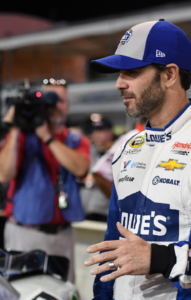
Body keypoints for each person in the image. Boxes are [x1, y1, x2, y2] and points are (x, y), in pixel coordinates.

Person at [83, 19, 191, 299]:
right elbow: (112, 243)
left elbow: (151, 256)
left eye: (131, 72)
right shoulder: (128, 147)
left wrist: (161, 259)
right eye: (119, 73)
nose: (119, 83)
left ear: (169, 75)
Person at [0, 78, 90, 283]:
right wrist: (16, 127)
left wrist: (47, 137)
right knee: (23, 291)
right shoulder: (21, 138)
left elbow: (81, 168)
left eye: (60, 100)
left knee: (63, 291)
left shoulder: (75, 140)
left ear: (68, 105)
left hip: (62, 233)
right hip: (25, 231)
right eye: (49, 100)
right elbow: (2, 174)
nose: (54, 105)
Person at [80, 117, 115, 222]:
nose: (97, 134)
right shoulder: (87, 151)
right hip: (85, 207)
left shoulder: (117, 152)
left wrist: (98, 176)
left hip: (104, 209)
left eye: (101, 130)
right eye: (95, 131)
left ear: (110, 133)